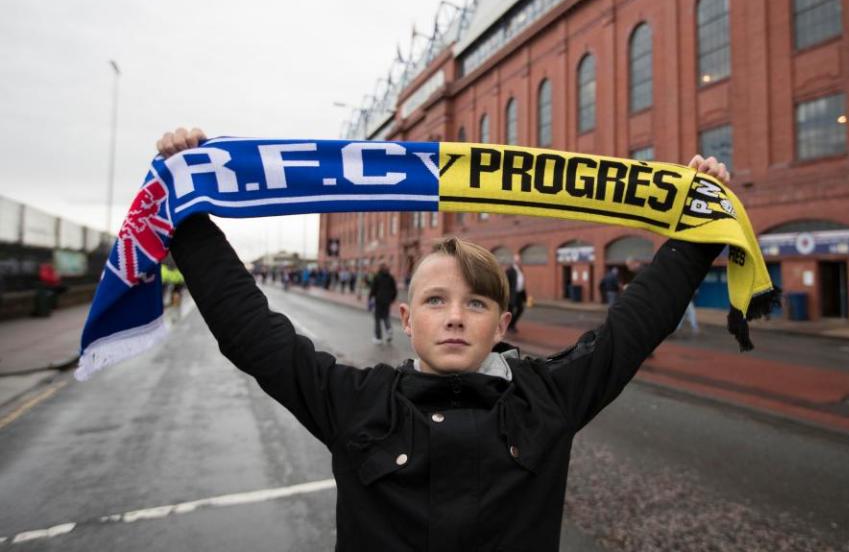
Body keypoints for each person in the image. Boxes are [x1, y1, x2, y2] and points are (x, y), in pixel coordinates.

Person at [157, 127, 729, 551]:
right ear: (407, 319)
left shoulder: (547, 398)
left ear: (502, 325)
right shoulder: (356, 401)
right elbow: (252, 333)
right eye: (436, 301)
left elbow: (633, 326)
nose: (455, 317)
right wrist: (188, 214)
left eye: (476, 302)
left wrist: (700, 231)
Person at [368, 261, 398, 344]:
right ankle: (389, 330)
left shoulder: (377, 276)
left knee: (377, 319)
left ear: (380, 268)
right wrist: (392, 299)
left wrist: (370, 298)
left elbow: (373, 289)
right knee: (386, 316)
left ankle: (378, 338)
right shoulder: (390, 277)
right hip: (387, 301)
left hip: (378, 300)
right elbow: (394, 290)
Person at [505, 254, 526, 333]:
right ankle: (510, 326)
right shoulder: (510, 270)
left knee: (520, 309)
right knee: (510, 311)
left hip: (519, 294)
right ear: (515, 261)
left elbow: (522, 284)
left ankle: (512, 324)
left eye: (520, 260)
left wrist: (525, 297)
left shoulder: (520, 270)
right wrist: (507, 295)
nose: (519, 262)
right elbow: (506, 283)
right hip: (512, 295)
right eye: (518, 260)